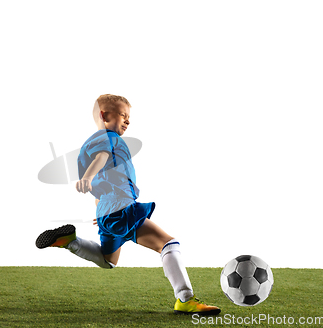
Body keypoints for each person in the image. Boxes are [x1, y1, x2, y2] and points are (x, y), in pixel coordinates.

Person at [36, 94, 220, 315]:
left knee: (108, 261)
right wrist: (86, 177)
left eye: (129, 116)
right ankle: (185, 299)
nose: (128, 120)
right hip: (121, 208)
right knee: (169, 244)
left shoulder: (88, 144)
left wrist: (104, 211)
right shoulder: (109, 138)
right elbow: (101, 158)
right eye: (123, 114)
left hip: (109, 211)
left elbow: (99, 186)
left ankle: (69, 241)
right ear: (104, 115)